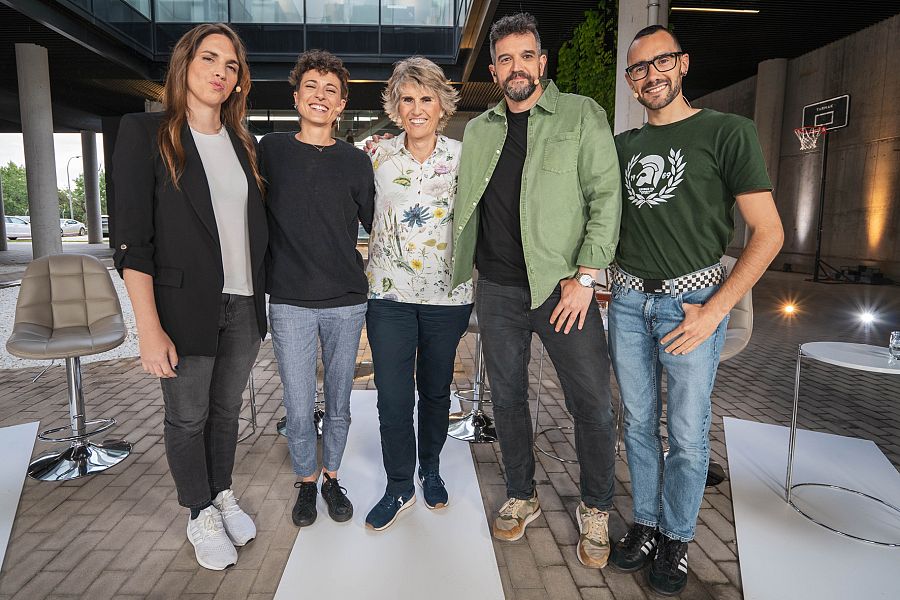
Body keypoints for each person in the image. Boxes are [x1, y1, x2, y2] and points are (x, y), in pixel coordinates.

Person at [607, 25, 784, 595]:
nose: (651, 75)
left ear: (682, 64)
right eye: (639, 68)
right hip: (628, 303)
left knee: (686, 431)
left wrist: (714, 313)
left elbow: (768, 233)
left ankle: (677, 537)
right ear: (631, 81)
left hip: (692, 305)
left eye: (661, 62)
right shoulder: (622, 147)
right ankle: (647, 522)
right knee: (637, 423)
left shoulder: (728, 132)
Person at [448, 13, 622, 569]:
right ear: (494, 70)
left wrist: (586, 278)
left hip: (563, 289)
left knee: (592, 402)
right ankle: (521, 495)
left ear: (542, 63)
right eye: (505, 59)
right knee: (506, 398)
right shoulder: (480, 130)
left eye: (526, 56)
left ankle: (596, 506)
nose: (516, 67)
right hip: (498, 289)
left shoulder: (581, 114)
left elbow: (606, 197)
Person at [113, 23, 267, 571]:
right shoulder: (145, 133)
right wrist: (148, 327)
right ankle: (198, 510)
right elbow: (133, 242)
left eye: (231, 65)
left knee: (225, 413)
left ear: (239, 80)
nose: (220, 72)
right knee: (187, 418)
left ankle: (220, 493)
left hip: (244, 303)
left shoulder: (244, 144)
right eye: (209, 58)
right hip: (183, 307)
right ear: (185, 64)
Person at [260, 50, 374, 529]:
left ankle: (332, 477)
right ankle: (306, 481)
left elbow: (379, 223)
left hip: (346, 302)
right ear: (296, 97)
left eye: (331, 90)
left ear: (342, 103)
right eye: (311, 87)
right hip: (290, 301)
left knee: (340, 402)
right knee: (299, 404)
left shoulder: (356, 161)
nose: (320, 96)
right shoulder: (270, 150)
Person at [363, 57, 474, 531]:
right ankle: (398, 484)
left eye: (426, 98)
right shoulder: (376, 155)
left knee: (435, 390)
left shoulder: (464, 156)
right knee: (392, 397)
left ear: (442, 105)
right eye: (407, 99)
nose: (417, 108)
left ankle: (430, 469)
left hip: (448, 297)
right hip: (388, 296)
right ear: (395, 105)